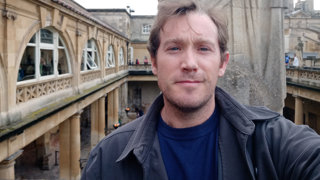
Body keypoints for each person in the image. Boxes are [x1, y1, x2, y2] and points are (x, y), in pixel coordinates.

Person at [81, 1, 320, 179]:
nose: (190, 64)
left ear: (223, 63)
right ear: (153, 62)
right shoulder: (107, 158)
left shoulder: (273, 139)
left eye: (204, 48)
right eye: (174, 48)